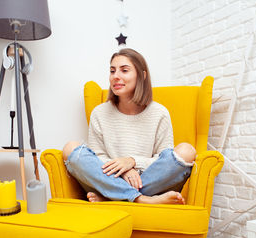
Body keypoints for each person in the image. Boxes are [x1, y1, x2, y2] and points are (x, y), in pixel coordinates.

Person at [62, 48, 196, 205]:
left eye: (124, 70)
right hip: (110, 177)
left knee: (187, 151)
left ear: (142, 76)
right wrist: (123, 171)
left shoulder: (159, 113)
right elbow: (97, 158)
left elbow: (162, 159)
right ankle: (140, 199)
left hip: (147, 179)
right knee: (70, 149)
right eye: (112, 71)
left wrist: (132, 162)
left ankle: (112, 197)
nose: (116, 76)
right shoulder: (99, 113)